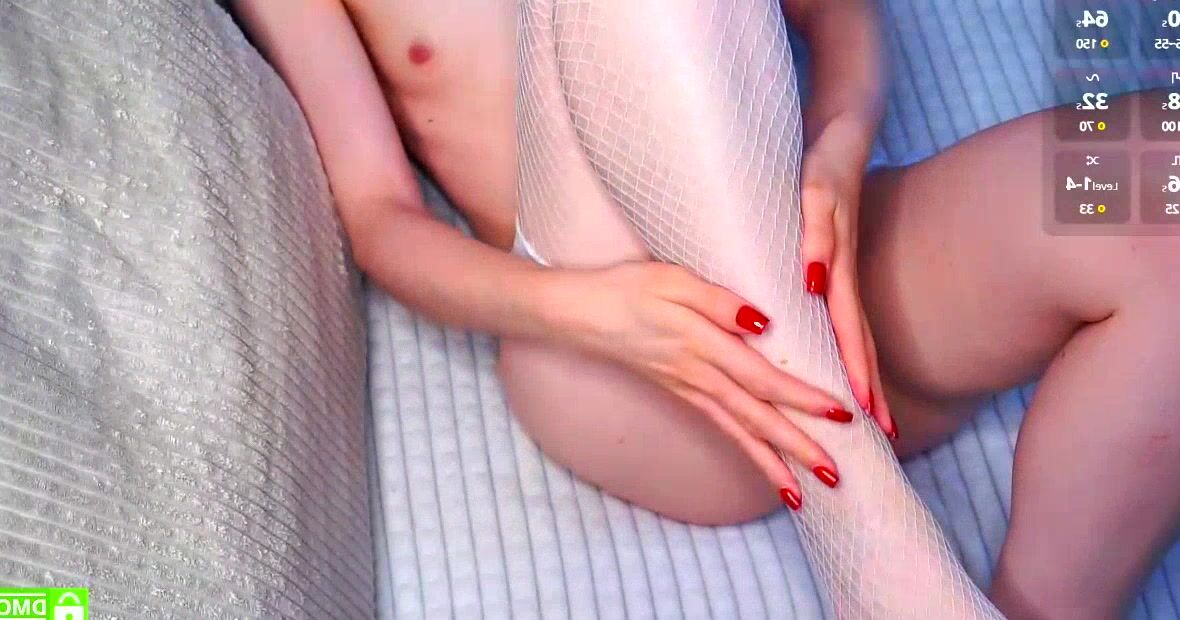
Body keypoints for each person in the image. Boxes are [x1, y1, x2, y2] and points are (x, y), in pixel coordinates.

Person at [233, 1, 1180, 617]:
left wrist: (840, 144)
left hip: (824, 270)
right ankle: (873, 550)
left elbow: (836, 11)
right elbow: (379, 220)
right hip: (618, 342)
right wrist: (583, 313)